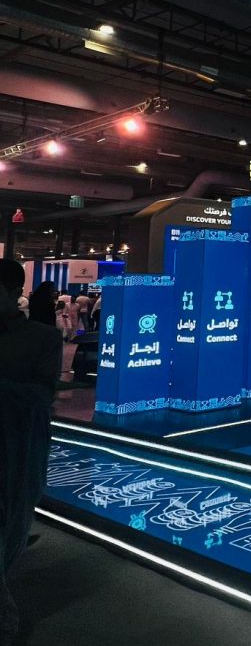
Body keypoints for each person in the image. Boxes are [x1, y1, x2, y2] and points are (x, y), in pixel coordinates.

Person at [0, 259, 62, 642]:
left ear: (13, 292)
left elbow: (42, 394)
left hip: (19, 446)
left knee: (11, 526)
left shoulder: (43, 338)